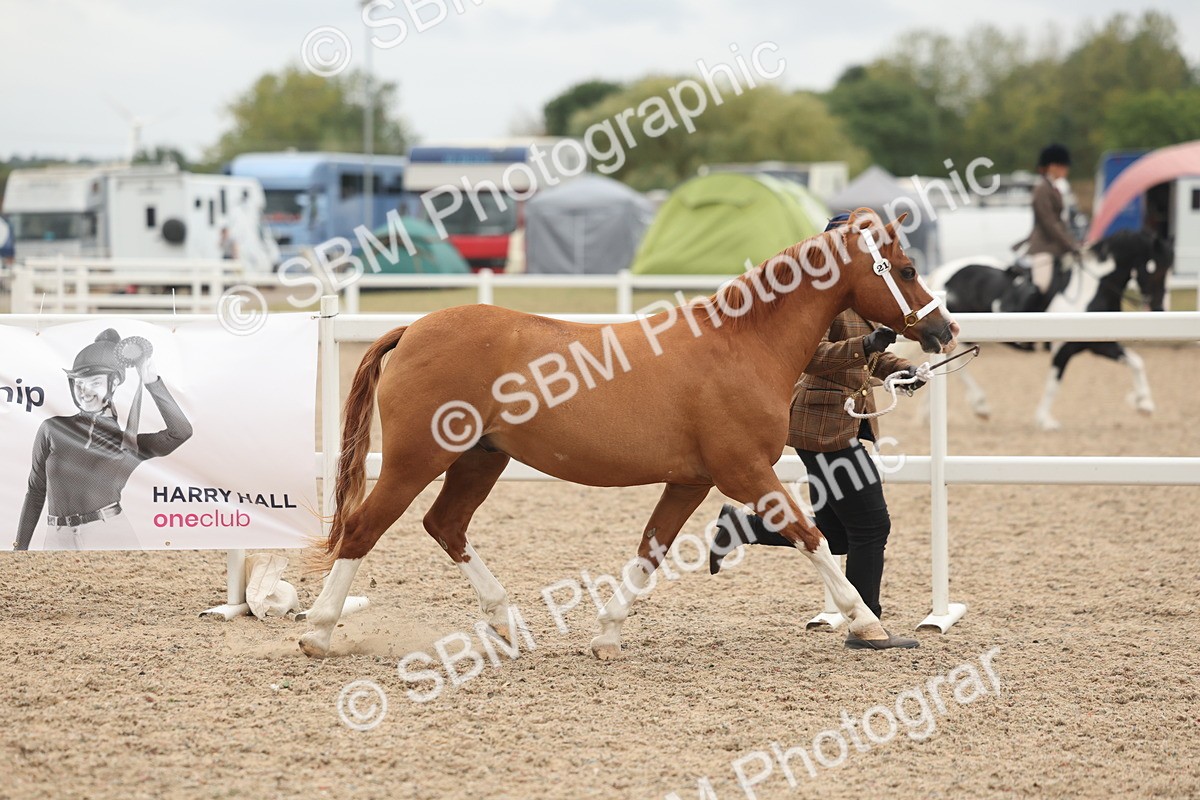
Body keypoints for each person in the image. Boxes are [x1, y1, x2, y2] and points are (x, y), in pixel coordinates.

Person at [707, 214, 924, 651]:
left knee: (838, 531)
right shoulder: (819, 300)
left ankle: (743, 528)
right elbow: (813, 356)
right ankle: (868, 625)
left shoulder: (859, 296)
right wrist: (866, 345)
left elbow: (869, 358)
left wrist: (903, 369)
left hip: (844, 422)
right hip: (823, 424)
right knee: (871, 525)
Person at [14, 329, 193, 551]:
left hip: (109, 532)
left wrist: (151, 381)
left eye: (95, 382)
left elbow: (181, 432)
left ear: (114, 382)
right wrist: (19, 548)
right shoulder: (52, 428)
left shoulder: (127, 443)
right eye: (78, 383)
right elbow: (35, 490)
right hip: (56, 536)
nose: (84, 391)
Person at [1024, 143, 1079, 307]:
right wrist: (1069, 244)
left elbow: (1060, 222)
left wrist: (1074, 244)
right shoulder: (1041, 189)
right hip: (1044, 247)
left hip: (1057, 247)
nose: (1066, 170)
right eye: (1064, 166)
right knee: (1042, 284)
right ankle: (1024, 317)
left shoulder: (1054, 188)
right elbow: (1049, 222)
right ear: (1053, 166)